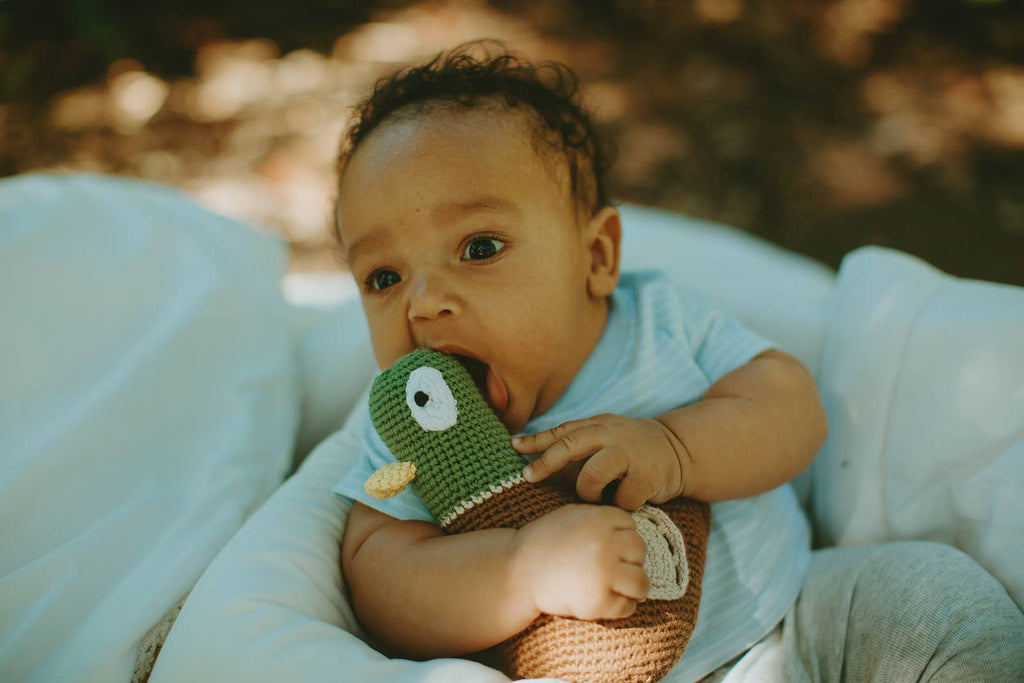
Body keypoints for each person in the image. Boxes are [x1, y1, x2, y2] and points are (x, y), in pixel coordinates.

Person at [330, 42, 1024, 681]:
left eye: (478, 248)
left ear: (596, 258)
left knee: (939, 598)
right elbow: (381, 578)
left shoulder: (658, 322)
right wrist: (521, 572)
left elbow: (789, 406)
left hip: (801, 616)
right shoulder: (407, 424)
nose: (422, 304)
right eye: (382, 278)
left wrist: (677, 447)